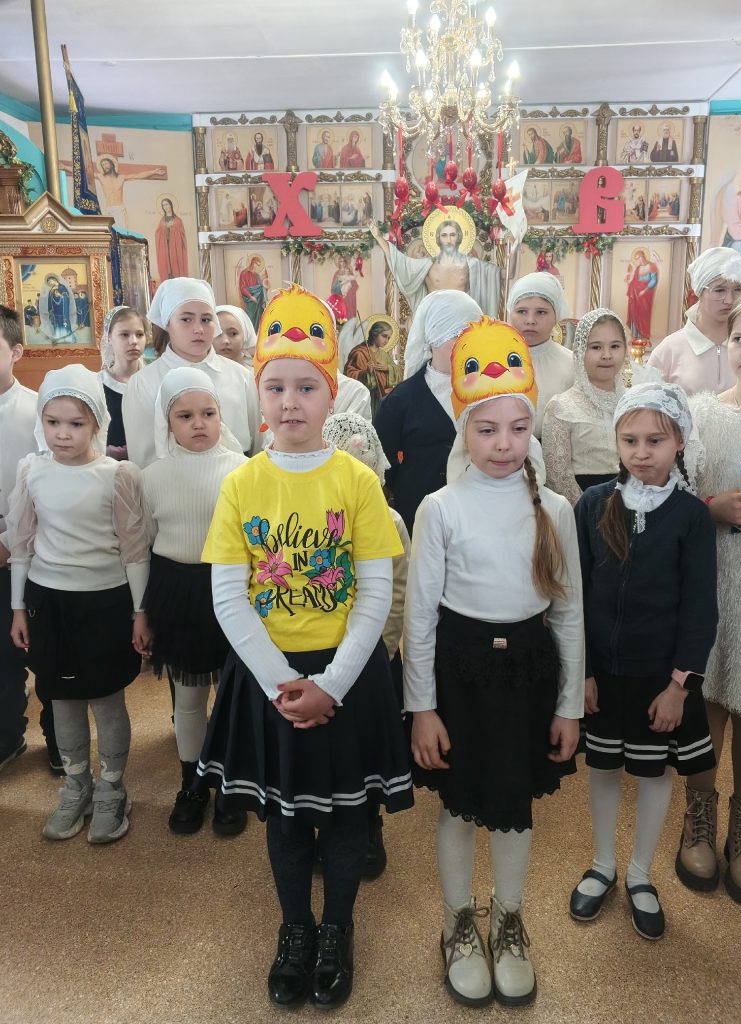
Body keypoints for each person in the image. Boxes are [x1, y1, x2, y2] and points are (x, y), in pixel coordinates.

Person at [195, 284, 413, 1010]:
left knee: (348, 815)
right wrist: (282, 684)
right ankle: (295, 928)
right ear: (258, 396)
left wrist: (332, 685)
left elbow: (375, 594)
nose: (291, 402)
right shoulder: (241, 484)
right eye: (276, 387)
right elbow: (229, 596)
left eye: (307, 388)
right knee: (286, 816)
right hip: (270, 678)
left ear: (332, 394)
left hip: (346, 675)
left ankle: (337, 928)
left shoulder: (356, 481)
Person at [404, 317, 583, 1007]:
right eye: (487, 429)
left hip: (528, 673)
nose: (503, 444)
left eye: (517, 428)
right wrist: (422, 708)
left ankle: (508, 919)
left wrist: (569, 705)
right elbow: (420, 618)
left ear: (532, 429)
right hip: (460, 672)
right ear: (464, 431)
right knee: (459, 804)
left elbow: (568, 615)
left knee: (513, 804)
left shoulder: (554, 511)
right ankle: (457, 921)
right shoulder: (439, 508)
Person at [570, 382, 717, 940]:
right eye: (629, 440)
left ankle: (639, 872)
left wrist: (680, 686)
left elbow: (700, 608)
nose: (641, 452)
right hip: (603, 676)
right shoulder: (593, 504)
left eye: (655, 440)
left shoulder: (691, 516)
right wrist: (583, 672)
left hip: (662, 679)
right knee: (604, 766)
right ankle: (603, 863)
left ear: (679, 442)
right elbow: (577, 596)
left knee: (655, 773)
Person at [8, 365, 150, 843]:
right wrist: (18, 607)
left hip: (105, 604)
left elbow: (134, 551)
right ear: (41, 422)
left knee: (106, 700)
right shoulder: (32, 471)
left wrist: (140, 612)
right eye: (53, 422)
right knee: (62, 700)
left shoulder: (117, 475)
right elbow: (22, 544)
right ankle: (76, 785)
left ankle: (112, 788)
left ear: (96, 423)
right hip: (48, 603)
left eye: (75, 423)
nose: (63, 434)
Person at [681, 295, 741, 905]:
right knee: (708, 699)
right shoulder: (701, 415)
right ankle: (698, 818)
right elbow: (675, 493)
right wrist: (713, 507)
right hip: (714, 576)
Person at [140, 368, 248, 837]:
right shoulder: (151, 476)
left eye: (208, 413)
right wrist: (141, 611)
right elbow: (144, 543)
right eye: (184, 416)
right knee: (188, 698)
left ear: (221, 415)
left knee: (232, 696)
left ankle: (230, 784)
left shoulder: (243, 470)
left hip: (231, 590)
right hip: (176, 591)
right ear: (167, 422)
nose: (198, 423)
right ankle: (193, 782)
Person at [321, 411, 411, 879]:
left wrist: (384, 649)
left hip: (374, 655)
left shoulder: (389, 520)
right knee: (327, 740)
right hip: (323, 652)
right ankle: (326, 820)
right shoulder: (317, 517)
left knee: (367, 743)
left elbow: (398, 590)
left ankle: (369, 823)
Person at [0, 306, 60, 775]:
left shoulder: (38, 411)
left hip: (28, 550)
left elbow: (51, 485)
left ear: (16, 351)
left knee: (43, 651)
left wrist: (7, 541)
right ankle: (8, 736)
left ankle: (59, 740)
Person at [122, 277, 260, 468]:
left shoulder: (241, 376)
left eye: (206, 320)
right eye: (186, 319)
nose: (198, 329)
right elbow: (141, 458)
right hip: (170, 483)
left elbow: (258, 445)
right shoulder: (143, 383)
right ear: (167, 323)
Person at [374, 290, 483, 533]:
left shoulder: (488, 390)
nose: (466, 344)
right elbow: (385, 464)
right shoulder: (400, 400)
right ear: (435, 335)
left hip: (477, 510)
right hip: (420, 513)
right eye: (457, 335)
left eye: (471, 335)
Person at [542, 309, 627, 506]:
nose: (607, 355)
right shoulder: (561, 407)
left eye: (615, 346)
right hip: (583, 509)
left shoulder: (635, 404)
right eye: (596, 347)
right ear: (580, 351)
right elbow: (559, 478)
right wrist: (589, 514)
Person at [647, 247, 741, 395]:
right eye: (719, 290)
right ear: (698, 293)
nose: (729, 300)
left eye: (738, 289)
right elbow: (647, 405)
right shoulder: (669, 350)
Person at [370, 217, 500, 316]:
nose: (448, 240)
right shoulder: (428, 266)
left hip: (461, 319)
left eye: (452, 235)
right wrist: (379, 237)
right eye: (444, 235)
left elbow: (501, 274)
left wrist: (511, 251)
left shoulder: (472, 265)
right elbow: (400, 262)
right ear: (438, 239)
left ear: (459, 237)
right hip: (434, 318)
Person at [506, 272, 575, 439]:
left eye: (541, 312)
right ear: (510, 313)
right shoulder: (491, 359)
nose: (530, 320)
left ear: (556, 316)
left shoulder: (572, 364)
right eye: (522, 311)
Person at [100, 305, 149, 460]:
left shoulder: (154, 381)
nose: (133, 341)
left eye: (139, 334)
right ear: (109, 338)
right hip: (108, 465)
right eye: (124, 334)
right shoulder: (97, 384)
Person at [344, 318, 401, 419]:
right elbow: (349, 374)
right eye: (384, 336)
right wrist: (366, 373)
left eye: (388, 338)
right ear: (375, 334)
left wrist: (388, 368)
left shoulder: (384, 355)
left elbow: (398, 373)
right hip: (364, 398)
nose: (386, 340)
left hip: (381, 398)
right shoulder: (359, 353)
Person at [624, 248, 658, 343]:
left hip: (646, 295)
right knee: (634, 313)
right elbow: (635, 281)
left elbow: (653, 280)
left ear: (643, 256)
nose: (638, 260)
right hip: (636, 295)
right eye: (637, 259)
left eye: (639, 258)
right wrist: (629, 282)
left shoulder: (651, 266)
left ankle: (645, 337)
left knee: (644, 315)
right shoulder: (638, 268)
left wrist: (644, 290)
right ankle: (635, 336)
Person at [154, 199, 189, 282]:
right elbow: (157, 233)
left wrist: (172, 228)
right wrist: (165, 228)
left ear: (171, 205)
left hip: (175, 249)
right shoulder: (162, 221)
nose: (165, 207)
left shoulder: (178, 220)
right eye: (163, 205)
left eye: (167, 204)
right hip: (165, 247)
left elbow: (182, 235)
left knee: (175, 266)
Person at [238, 255, 269, 331]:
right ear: (252, 262)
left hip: (257, 300)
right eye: (256, 264)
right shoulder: (244, 273)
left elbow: (260, 289)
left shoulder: (256, 275)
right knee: (250, 318)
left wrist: (266, 286)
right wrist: (251, 297)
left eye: (258, 265)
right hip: (249, 300)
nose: (256, 267)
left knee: (258, 318)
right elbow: (242, 288)